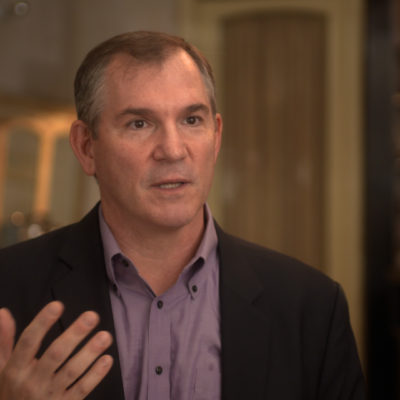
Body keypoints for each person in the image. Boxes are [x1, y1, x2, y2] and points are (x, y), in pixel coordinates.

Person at [0, 31, 365, 400]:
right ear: (85, 147)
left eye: (192, 120)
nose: (173, 150)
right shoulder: (8, 289)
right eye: (139, 123)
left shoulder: (311, 306)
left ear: (217, 136)